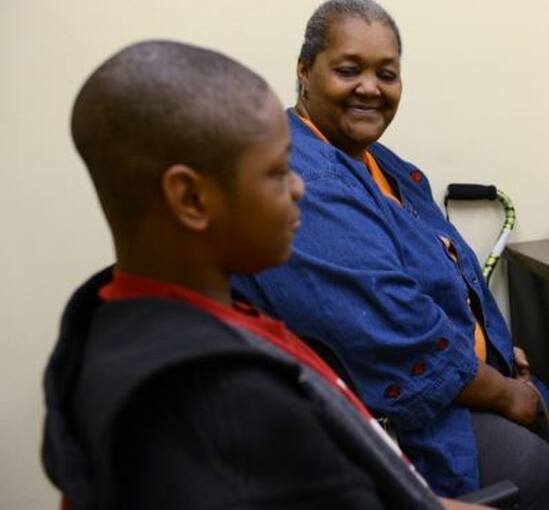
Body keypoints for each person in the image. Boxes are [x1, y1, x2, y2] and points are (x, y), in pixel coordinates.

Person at [41, 40, 487, 510]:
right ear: (191, 199)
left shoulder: (121, 311)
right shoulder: (229, 410)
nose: (299, 187)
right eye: (277, 173)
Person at [233, 0, 549, 510]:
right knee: (535, 466)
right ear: (304, 72)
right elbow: (394, 331)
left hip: (442, 382)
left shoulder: (378, 162)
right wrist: (506, 392)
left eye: (387, 74)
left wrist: (490, 342)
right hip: (383, 417)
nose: (371, 89)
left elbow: (435, 274)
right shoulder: (308, 182)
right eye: (348, 70)